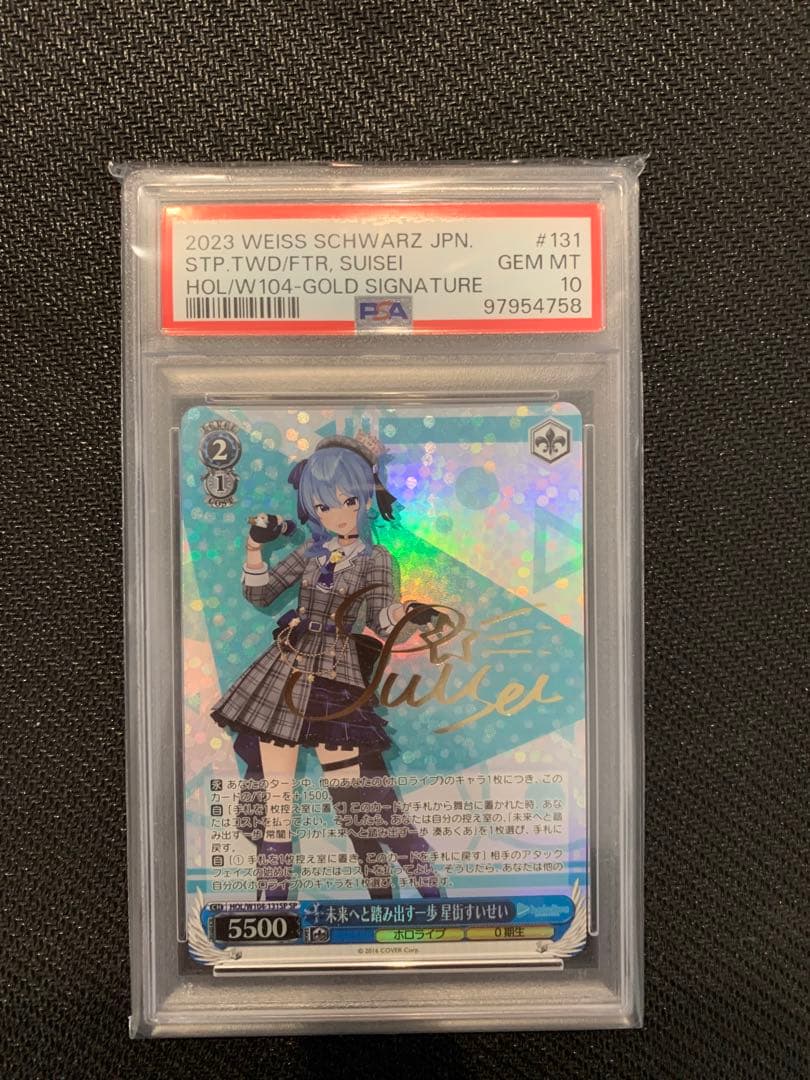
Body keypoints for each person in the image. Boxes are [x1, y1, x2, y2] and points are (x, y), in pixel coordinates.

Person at [211, 433, 442, 901]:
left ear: (366, 499)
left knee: (357, 801)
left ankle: (418, 889)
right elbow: (261, 593)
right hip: (286, 670)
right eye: (323, 506)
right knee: (277, 806)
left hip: (337, 674)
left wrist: (405, 613)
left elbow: (379, 616)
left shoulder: (377, 558)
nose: (338, 514)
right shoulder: (309, 554)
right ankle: (271, 906)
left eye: (348, 501)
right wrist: (254, 548)